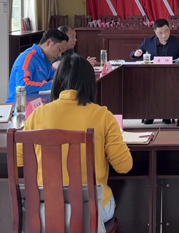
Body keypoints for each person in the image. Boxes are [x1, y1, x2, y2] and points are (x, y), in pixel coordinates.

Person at [18, 54, 133, 230]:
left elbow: (19, 160)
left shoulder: (37, 114)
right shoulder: (103, 115)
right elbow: (124, 166)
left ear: (57, 81)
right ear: (90, 83)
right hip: (90, 210)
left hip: (46, 210)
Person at [6, 28, 69, 102]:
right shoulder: (27, 57)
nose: (59, 55)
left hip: (39, 103)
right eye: (59, 50)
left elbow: (58, 77)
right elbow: (23, 86)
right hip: (20, 106)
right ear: (49, 42)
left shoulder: (46, 60)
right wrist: (51, 84)